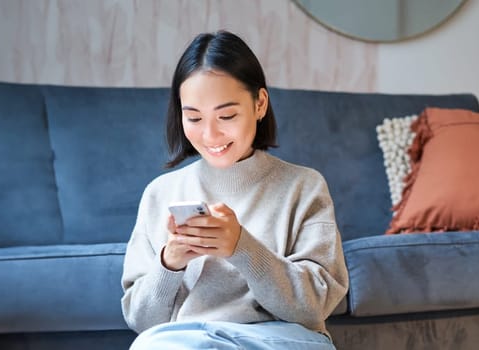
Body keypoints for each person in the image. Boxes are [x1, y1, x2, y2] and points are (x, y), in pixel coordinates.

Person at [121, 30, 348, 350]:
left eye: (226, 115)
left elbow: (314, 309)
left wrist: (242, 247)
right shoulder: (160, 193)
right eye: (194, 117)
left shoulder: (304, 187)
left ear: (260, 104)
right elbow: (142, 323)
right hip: (187, 340)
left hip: (279, 339)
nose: (210, 135)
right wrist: (169, 262)